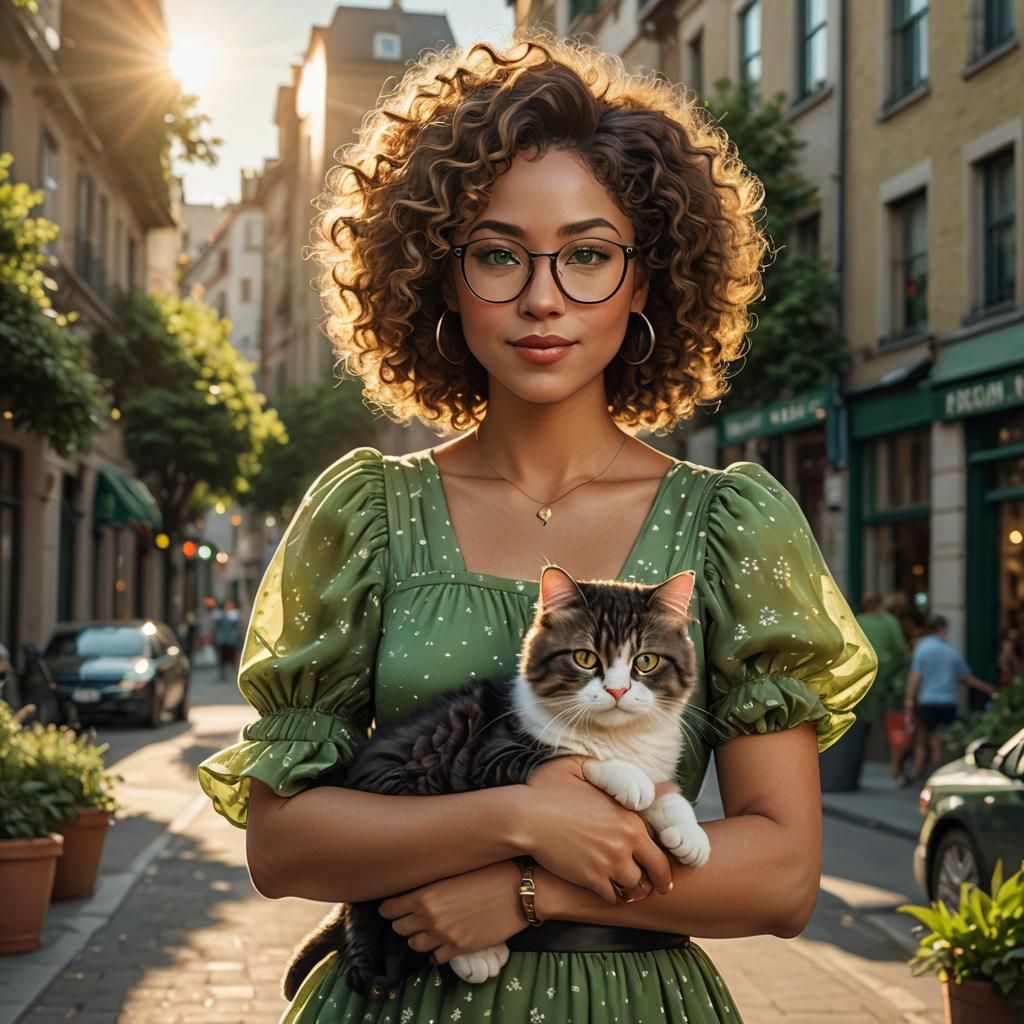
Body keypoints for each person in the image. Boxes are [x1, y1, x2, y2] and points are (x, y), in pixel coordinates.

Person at [197, 33, 878, 1023]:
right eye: (498, 254)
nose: (542, 298)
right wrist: (520, 813)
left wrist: (529, 891)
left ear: (645, 281)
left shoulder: (730, 525)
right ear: (440, 275)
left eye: (588, 255)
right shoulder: (365, 514)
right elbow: (282, 845)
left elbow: (782, 876)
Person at [904, 615, 997, 781]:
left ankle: (920, 772)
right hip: (948, 702)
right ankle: (935, 772)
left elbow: (915, 676)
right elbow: (966, 677)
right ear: (943, 629)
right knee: (942, 739)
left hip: (928, 701)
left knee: (923, 739)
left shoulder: (923, 647)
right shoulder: (951, 650)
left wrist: (910, 700)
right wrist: (989, 689)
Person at [855, 593, 911, 785]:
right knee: (894, 726)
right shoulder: (891, 622)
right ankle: (895, 769)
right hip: (888, 683)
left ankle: (855, 768)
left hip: (864, 681)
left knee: (862, 725)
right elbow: (901, 651)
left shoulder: (859, 621)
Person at [212, 600, 241, 683]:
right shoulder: (219, 615)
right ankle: (223, 674)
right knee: (222, 658)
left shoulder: (234, 615)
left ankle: (232, 673)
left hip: (230, 640)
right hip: (222, 640)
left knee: (231, 657)